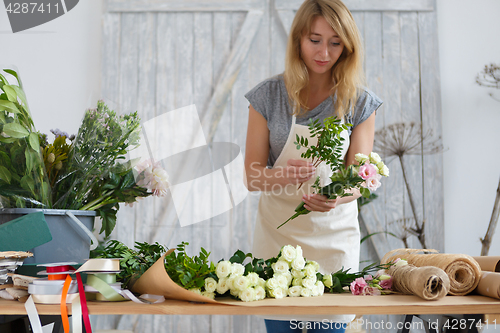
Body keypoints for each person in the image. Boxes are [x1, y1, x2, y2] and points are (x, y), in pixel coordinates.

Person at [244, 0, 383, 332]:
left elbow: (361, 178)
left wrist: (337, 196)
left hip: (332, 240)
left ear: (347, 47)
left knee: (330, 325)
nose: (324, 52)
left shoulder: (359, 103)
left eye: (335, 42)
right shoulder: (268, 97)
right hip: (277, 239)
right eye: (315, 40)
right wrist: (282, 176)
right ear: (298, 41)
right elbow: (252, 178)